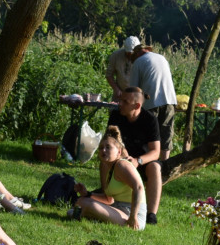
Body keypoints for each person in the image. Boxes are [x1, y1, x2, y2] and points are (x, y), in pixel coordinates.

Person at [70, 125, 147, 230]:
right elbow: (108, 199)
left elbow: (138, 187)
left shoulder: (121, 165)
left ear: (119, 152)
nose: (103, 150)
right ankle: (88, 215)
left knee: (86, 204)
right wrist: (88, 194)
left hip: (133, 215)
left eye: (108, 147)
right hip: (118, 208)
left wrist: (133, 217)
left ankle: (86, 214)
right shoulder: (109, 167)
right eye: (101, 148)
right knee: (83, 200)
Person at [107, 87, 162, 225]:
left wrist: (138, 160)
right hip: (121, 158)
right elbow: (109, 141)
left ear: (137, 105)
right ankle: (108, 198)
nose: (120, 104)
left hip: (143, 160)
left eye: (125, 102)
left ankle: (151, 214)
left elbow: (156, 151)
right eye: (120, 100)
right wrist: (124, 155)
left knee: (155, 167)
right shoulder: (115, 116)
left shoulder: (150, 119)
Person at [127, 43, 177, 161]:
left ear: (137, 53)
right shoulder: (162, 58)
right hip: (169, 99)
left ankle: (148, 163)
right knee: (166, 134)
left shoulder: (138, 62)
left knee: (148, 134)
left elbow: (133, 90)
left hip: (151, 102)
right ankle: (164, 165)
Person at [106, 35, 140, 102]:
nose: (130, 55)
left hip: (136, 95)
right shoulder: (116, 55)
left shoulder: (141, 59)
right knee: (116, 111)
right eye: (128, 53)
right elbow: (109, 75)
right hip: (119, 94)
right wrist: (116, 89)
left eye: (132, 53)